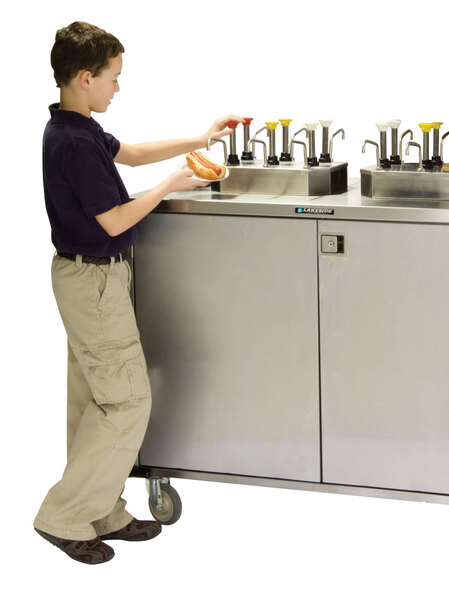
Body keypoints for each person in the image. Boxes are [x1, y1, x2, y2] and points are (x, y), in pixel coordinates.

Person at [34, 20, 244, 564]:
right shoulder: (73, 143)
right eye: (113, 78)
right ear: (86, 78)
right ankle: (62, 516)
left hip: (90, 279)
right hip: (94, 279)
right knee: (126, 400)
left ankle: (101, 510)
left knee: (93, 400)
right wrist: (173, 184)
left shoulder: (72, 128)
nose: (117, 88)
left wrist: (201, 140)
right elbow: (113, 220)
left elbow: (131, 152)